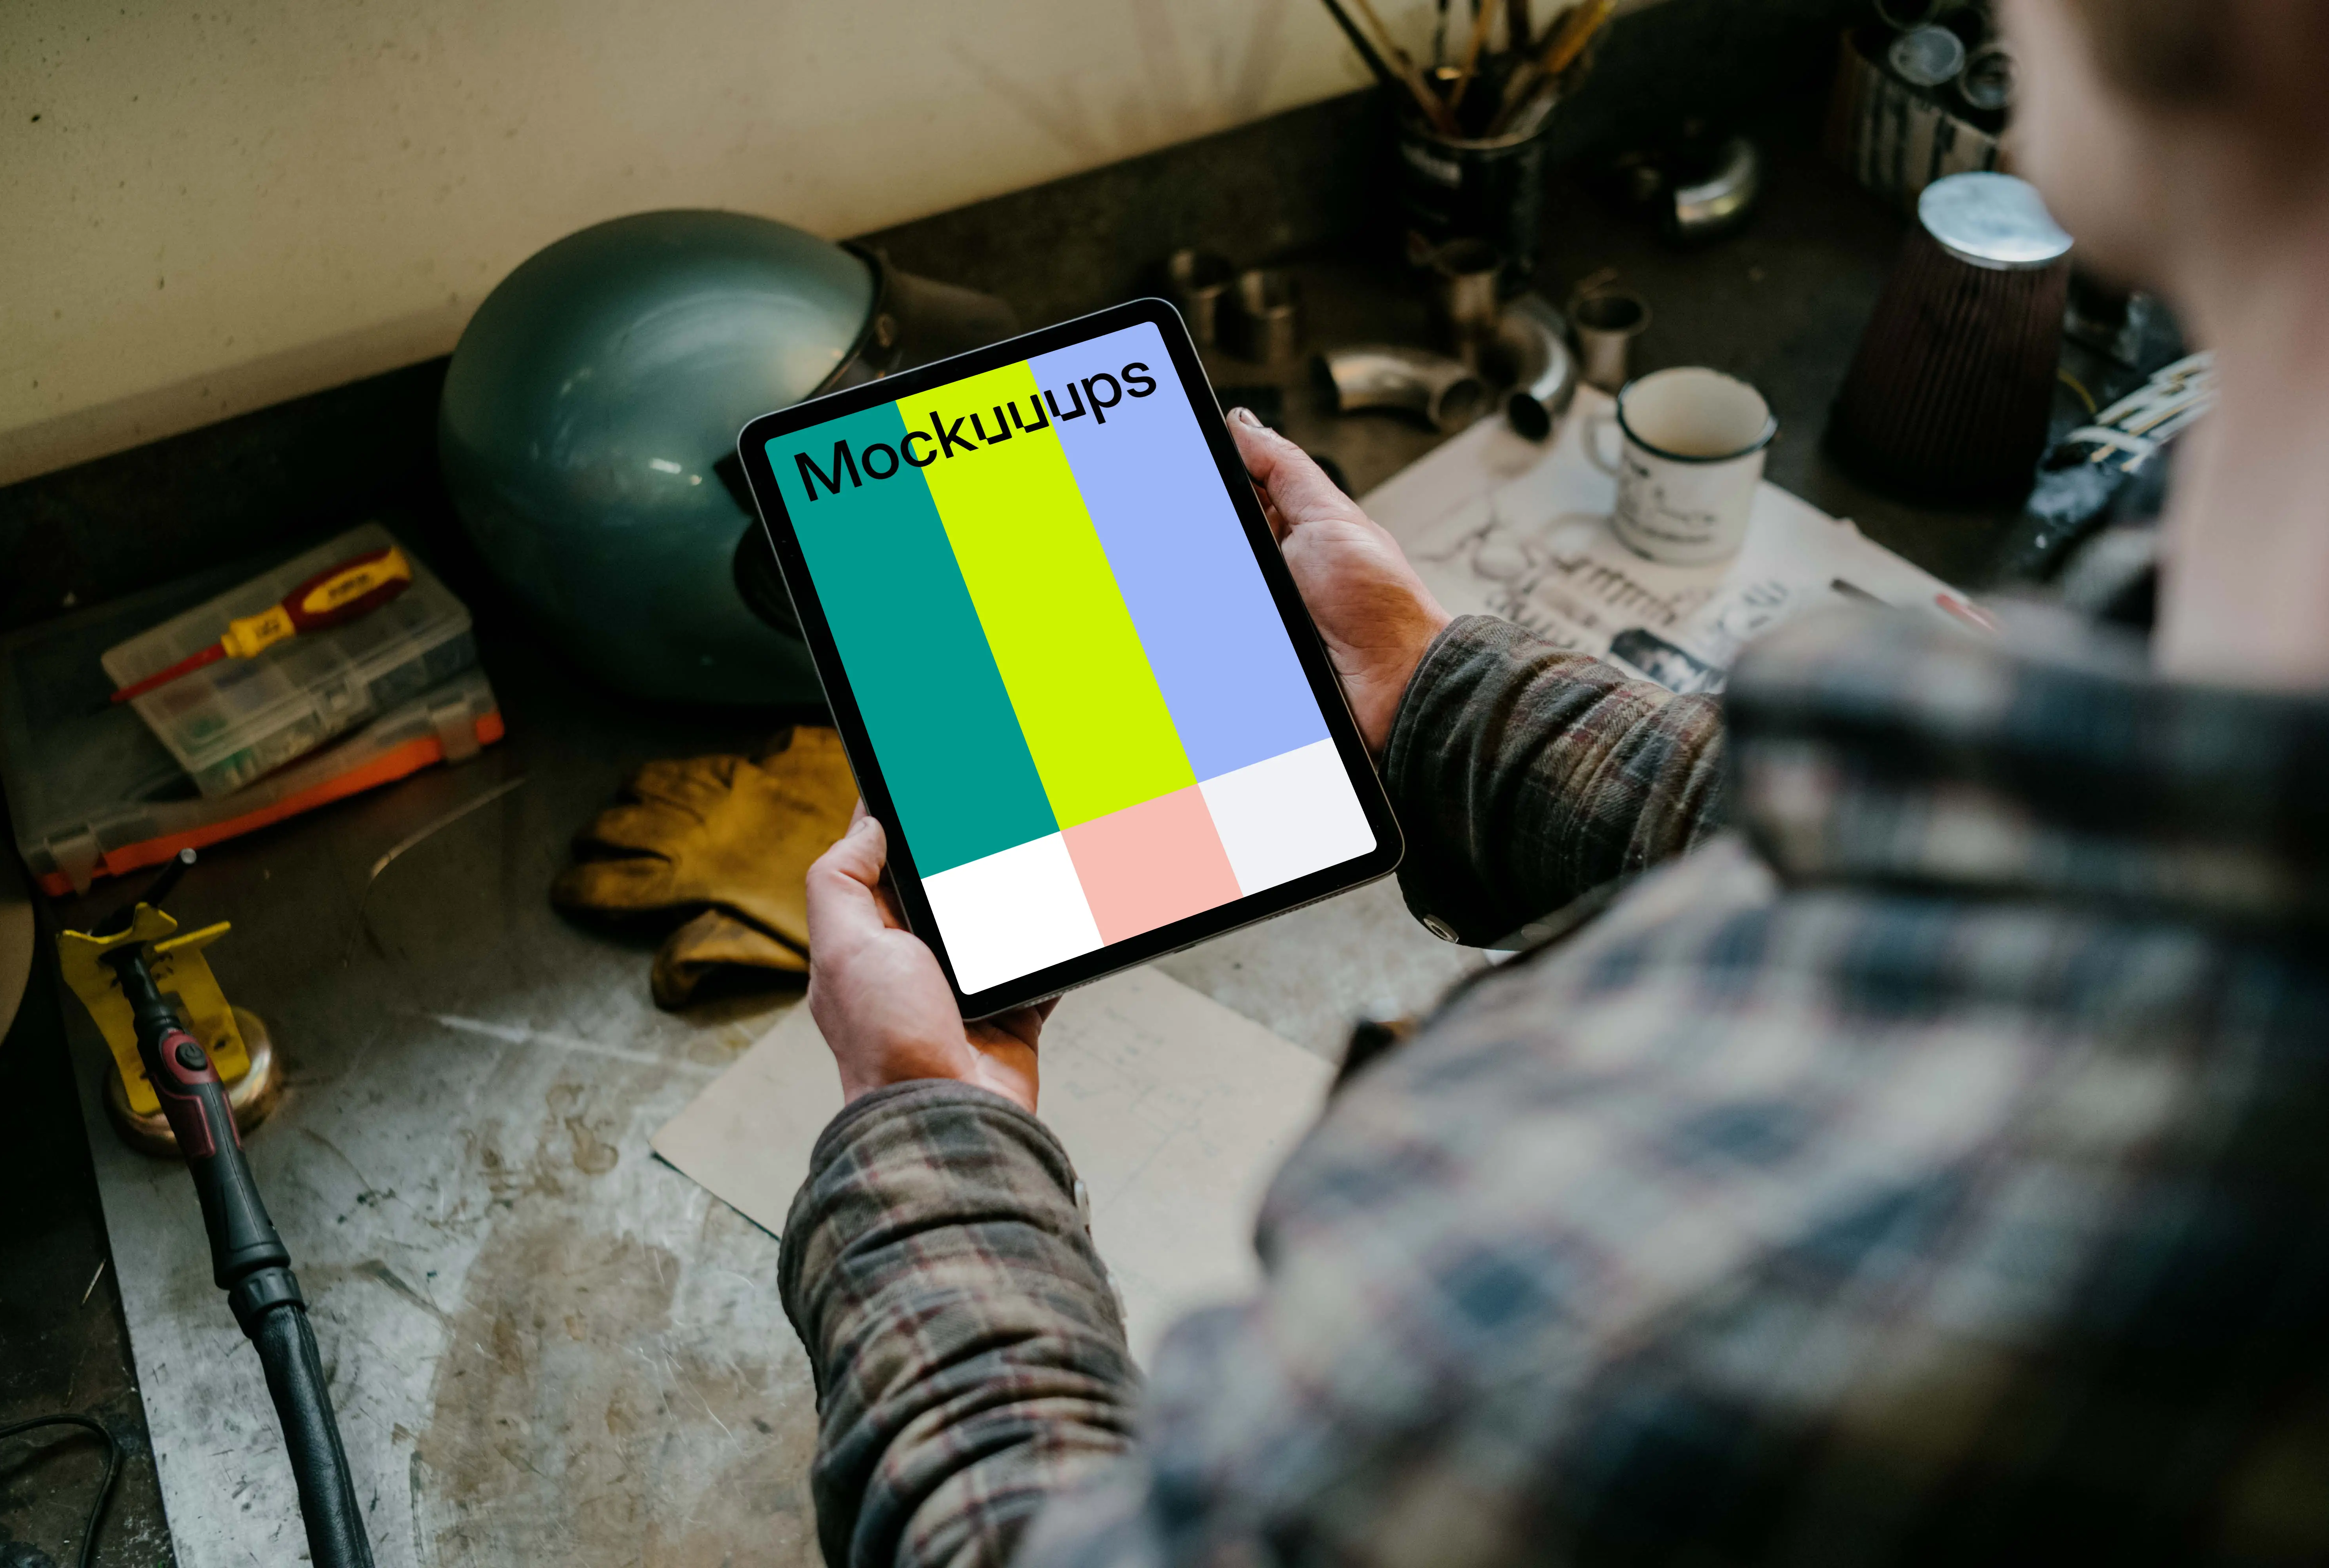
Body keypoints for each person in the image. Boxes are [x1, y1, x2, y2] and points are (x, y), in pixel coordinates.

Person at [779, 0, 2329, 1559]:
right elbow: (2006, 881)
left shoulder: (1597, 1322)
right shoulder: (2224, 595)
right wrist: (1435, 695)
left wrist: (930, 1135)